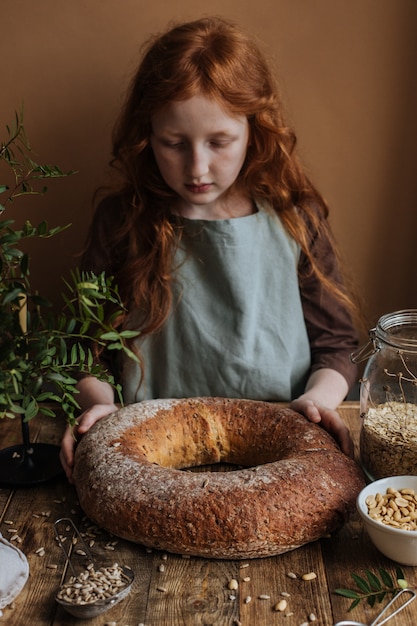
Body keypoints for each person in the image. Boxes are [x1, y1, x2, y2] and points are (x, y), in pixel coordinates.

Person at [60, 16, 362, 482]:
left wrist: (317, 403)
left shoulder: (295, 218)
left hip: (284, 440)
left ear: (254, 130)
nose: (197, 167)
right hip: (151, 445)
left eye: (220, 142)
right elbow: (82, 351)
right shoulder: (123, 221)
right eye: (174, 143)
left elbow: (337, 346)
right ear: (148, 137)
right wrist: (101, 404)